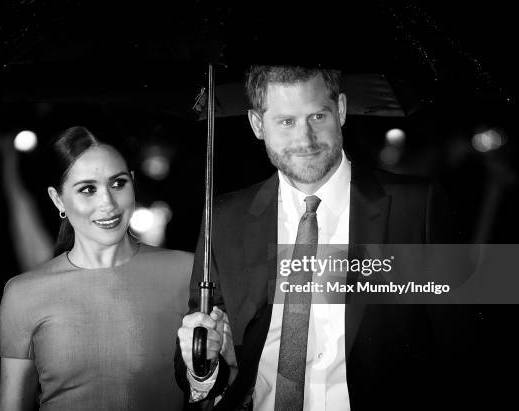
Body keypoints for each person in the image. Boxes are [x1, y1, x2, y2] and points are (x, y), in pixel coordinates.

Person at [176, 66, 470, 410]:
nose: (305, 139)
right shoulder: (224, 217)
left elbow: (467, 348)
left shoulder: (418, 206)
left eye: (317, 116)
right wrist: (203, 367)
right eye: (286, 122)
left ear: (341, 109)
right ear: (258, 124)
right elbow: (200, 364)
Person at [0, 126, 192, 411]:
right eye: (88, 189)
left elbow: (216, 390)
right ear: (57, 199)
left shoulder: (186, 271)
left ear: (133, 183)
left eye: (118, 184)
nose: (108, 203)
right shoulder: (23, 293)